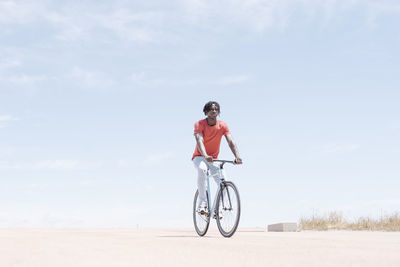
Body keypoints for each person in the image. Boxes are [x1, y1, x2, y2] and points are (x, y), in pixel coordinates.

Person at [192, 101, 242, 213]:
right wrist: (205, 155)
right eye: (211, 109)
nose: (214, 111)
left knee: (223, 181)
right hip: (200, 157)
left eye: (216, 109)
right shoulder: (199, 124)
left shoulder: (222, 125)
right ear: (206, 112)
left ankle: (217, 208)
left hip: (214, 159)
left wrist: (237, 156)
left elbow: (231, 141)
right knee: (202, 169)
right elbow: (199, 140)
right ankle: (203, 202)